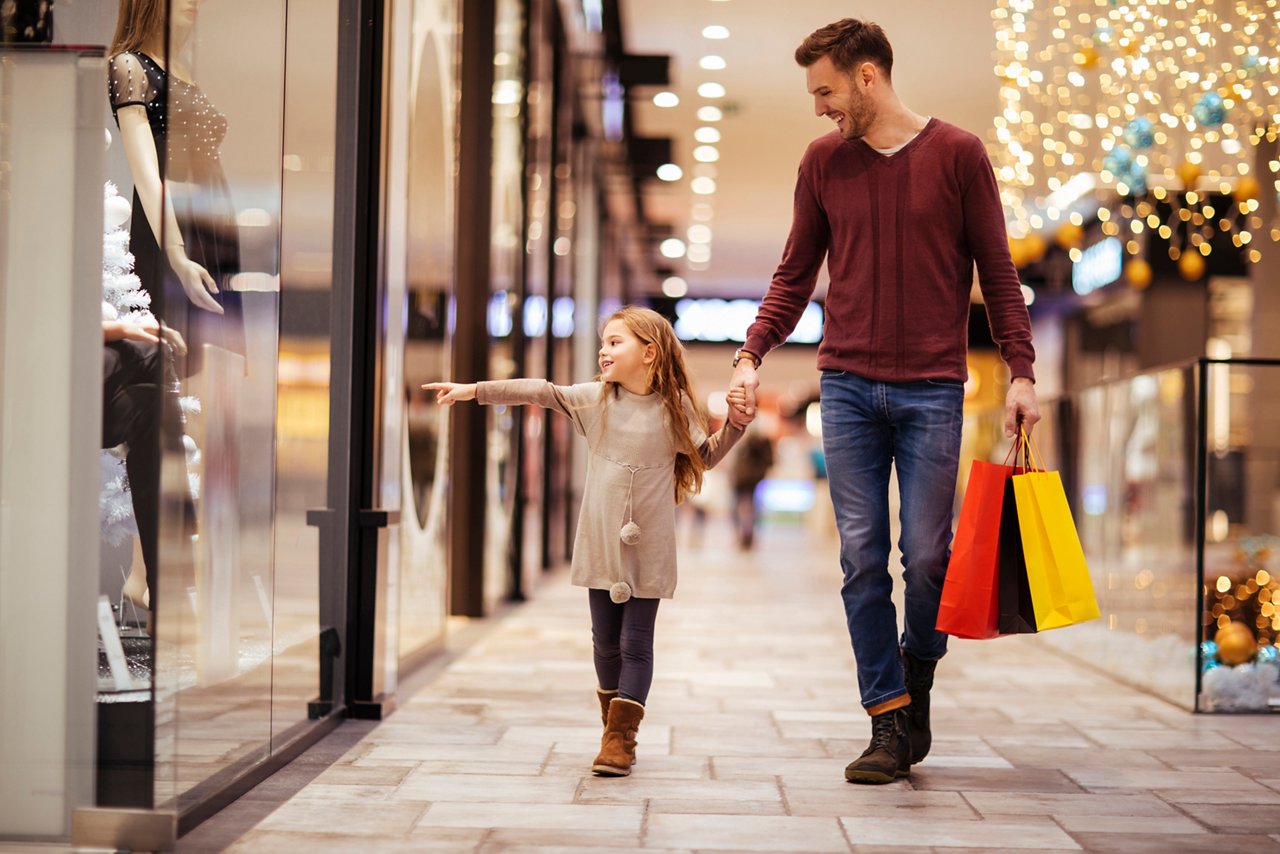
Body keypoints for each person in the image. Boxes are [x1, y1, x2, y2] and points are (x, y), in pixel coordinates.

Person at [728, 18, 1041, 785]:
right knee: (862, 558)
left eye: (826, 90)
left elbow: (997, 274)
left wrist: (1023, 372)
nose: (819, 108)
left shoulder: (960, 155)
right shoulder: (823, 163)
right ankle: (887, 718)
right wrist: (750, 352)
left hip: (934, 389)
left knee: (927, 557)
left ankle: (918, 676)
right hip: (847, 386)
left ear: (867, 77)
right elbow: (795, 273)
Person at [424, 307, 748, 777]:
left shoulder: (674, 407)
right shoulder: (596, 401)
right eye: (604, 341)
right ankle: (611, 728)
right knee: (605, 644)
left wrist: (735, 425)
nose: (604, 349)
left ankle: (620, 740)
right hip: (600, 541)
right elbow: (540, 391)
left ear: (649, 353)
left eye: (616, 342)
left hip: (650, 546)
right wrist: (475, 391)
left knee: (637, 642)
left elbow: (705, 457)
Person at [108, 0, 243, 377]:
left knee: (205, 366)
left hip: (207, 229)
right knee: (170, 366)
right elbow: (147, 173)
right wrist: (176, 252)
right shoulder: (130, 65)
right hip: (171, 231)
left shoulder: (180, 69)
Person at [730, 425, 774, 549]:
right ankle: (745, 536)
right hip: (746, 480)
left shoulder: (755, 442)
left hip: (747, 480)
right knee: (746, 508)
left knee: (746, 508)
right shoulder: (753, 443)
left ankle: (747, 536)